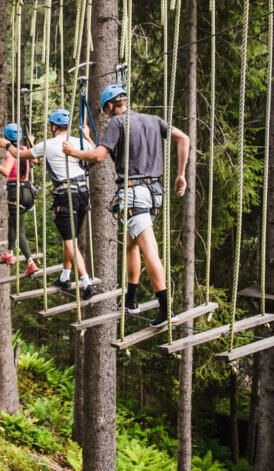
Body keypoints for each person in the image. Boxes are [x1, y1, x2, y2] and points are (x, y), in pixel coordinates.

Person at [62, 84, 189, 326]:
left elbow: (99, 156)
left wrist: (73, 152)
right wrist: (180, 174)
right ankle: (131, 298)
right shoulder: (152, 120)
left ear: (110, 106)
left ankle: (165, 310)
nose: (107, 114)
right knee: (132, 244)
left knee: (149, 250)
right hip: (154, 193)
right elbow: (183, 138)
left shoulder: (117, 123)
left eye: (106, 109)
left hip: (135, 193)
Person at [0, 108, 96, 300]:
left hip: (66, 195)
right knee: (70, 240)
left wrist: (7, 145)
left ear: (53, 127)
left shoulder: (48, 145)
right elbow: (96, 154)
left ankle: (86, 282)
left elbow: (19, 154)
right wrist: (87, 136)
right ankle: (65, 276)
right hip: (83, 194)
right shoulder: (79, 142)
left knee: (70, 242)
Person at [0, 123, 38, 276]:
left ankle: (30, 262)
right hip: (28, 193)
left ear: (7, 138)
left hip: (16, 193)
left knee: (19, 230)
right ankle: (9, 252)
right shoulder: (24, 150)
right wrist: (31, 144)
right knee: (12, 222)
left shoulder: (11, 154)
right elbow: (35, 161)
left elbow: (7, 172)